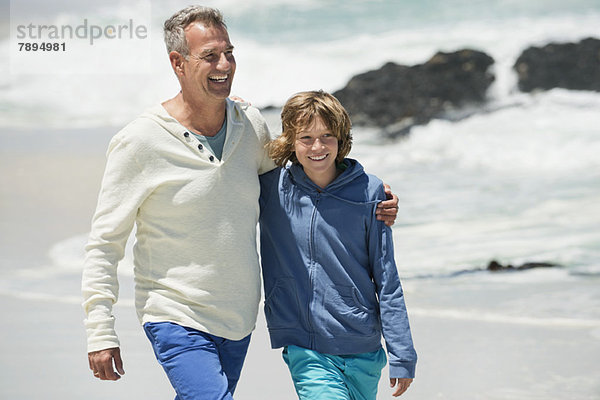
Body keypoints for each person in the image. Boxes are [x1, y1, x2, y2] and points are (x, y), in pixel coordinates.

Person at [82, 6, 400, 400]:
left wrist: (368, 195)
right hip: (174, 313)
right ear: (177, 63)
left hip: (237, 319)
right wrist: (100, 331)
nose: (224, 65)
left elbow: (303, 184)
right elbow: (104, 244)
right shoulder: (140, 142)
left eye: (228, 53)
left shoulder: (250, 125)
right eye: (210, 56)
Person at [258, 90, 417, 399]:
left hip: (362, 346)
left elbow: (387, 280)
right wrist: (232, 109)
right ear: (290, 140)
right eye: (305, 137)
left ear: (342, 139)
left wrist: (403, 352)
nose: (317, 147)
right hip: (306, 345)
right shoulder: (271, 189)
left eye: (327, 136)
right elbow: (222, 178)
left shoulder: (370, 193)